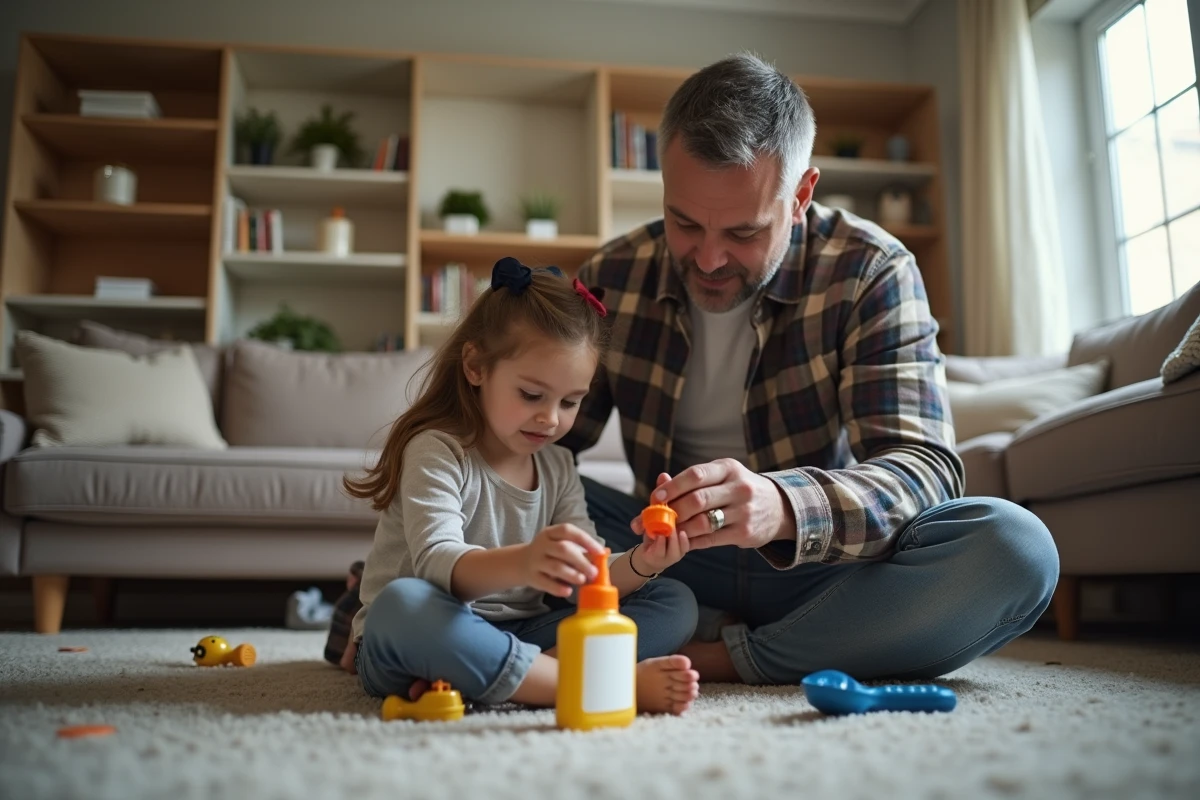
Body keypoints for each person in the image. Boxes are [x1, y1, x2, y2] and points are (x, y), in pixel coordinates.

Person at [559, 53, 1059, 685]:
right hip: (661, 556)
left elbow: (925, 471)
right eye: (684, 222)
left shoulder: (871, 269)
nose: (708, 258)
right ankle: (763, 637)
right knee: (512, 503)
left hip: (819, 568)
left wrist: (781, 506)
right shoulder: (613, 275)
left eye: (742, 232)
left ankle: (721, 654)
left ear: (799, 197)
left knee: (1014, 550)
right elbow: (542, 445)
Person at [342, 257, 700, 715]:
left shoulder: (558, 466)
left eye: (571, 401)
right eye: (531, 395)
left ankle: (517, 677)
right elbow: (436, 565)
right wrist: (526, 563)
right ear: (475, 366)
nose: (551, 419)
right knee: (402, 603)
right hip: (428, 634)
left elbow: (587, 582)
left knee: (672, 598)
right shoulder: (437, 450)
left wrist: (643, 562)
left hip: (523, 634)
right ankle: (590, 684)